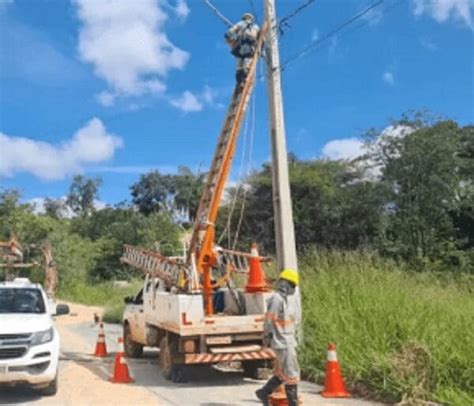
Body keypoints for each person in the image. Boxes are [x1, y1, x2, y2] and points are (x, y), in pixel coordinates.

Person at [256, 268, 301, 406]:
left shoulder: (285, 299)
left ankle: (263, 392)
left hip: (288, 340)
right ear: (285, 284)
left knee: (282, 373)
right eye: (292, 285)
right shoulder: (276, 299)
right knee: (292, 373)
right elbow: (269, 320)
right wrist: (267, 337)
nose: (293, 288)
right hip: (282, 341)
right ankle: (293, 403)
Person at [225, 13, 260, 84]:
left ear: (244, 18)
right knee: (246, 65)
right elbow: (260, 39)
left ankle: (239, 81)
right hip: (250, 47)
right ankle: (244, 80)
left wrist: (228, 37)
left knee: (239, 66)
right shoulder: (256, 26)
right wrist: (259, 49)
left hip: (240, 47)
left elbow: (230, 31)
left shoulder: (241, 23)